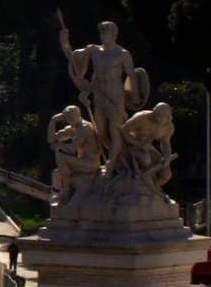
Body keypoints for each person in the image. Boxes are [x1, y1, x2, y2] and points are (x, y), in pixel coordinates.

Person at [60, 20, 146, 173]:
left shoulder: (122, 54)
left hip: (116, 96)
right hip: (99, 95)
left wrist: (135, 96)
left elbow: (132, 76)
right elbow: (74, 60)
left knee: (115, 130)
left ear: (114, 35)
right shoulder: (94, 51)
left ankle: (111, 164)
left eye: (105, 32)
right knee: (100, 133)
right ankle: (117, 160)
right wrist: (65, 44)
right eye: (101, 32)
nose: (102, 36)